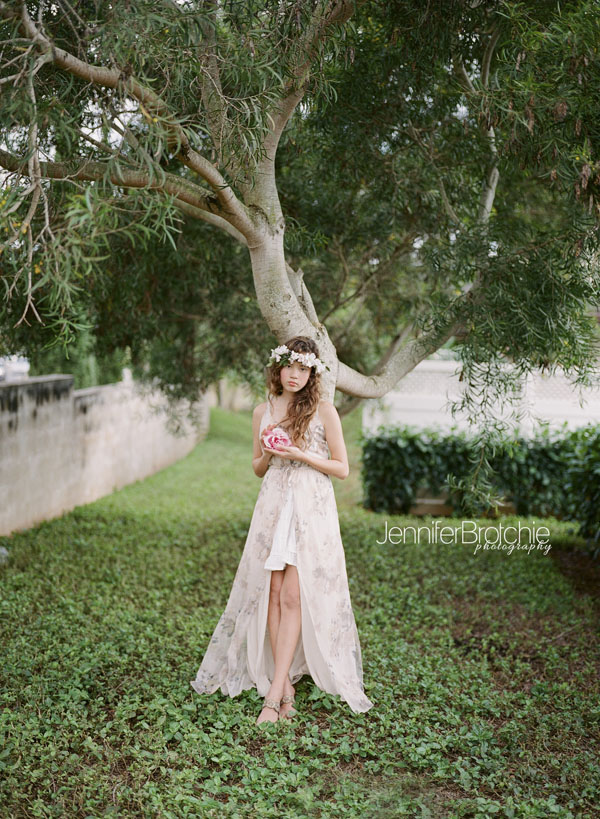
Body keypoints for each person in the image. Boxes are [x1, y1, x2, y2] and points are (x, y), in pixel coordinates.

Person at [190, 336, 373, 724]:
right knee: (271, 593)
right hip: (274, 504)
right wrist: (271, 451)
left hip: (310, 506)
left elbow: (342, 468)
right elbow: (258, 467)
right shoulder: (263, 410)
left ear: (312, 373)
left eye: (303, 368)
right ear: (278, 367)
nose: (295, 374)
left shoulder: (324, 410)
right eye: (290, 366)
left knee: (292, 596)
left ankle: (274, 695)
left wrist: (301, 454)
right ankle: (285, 685)